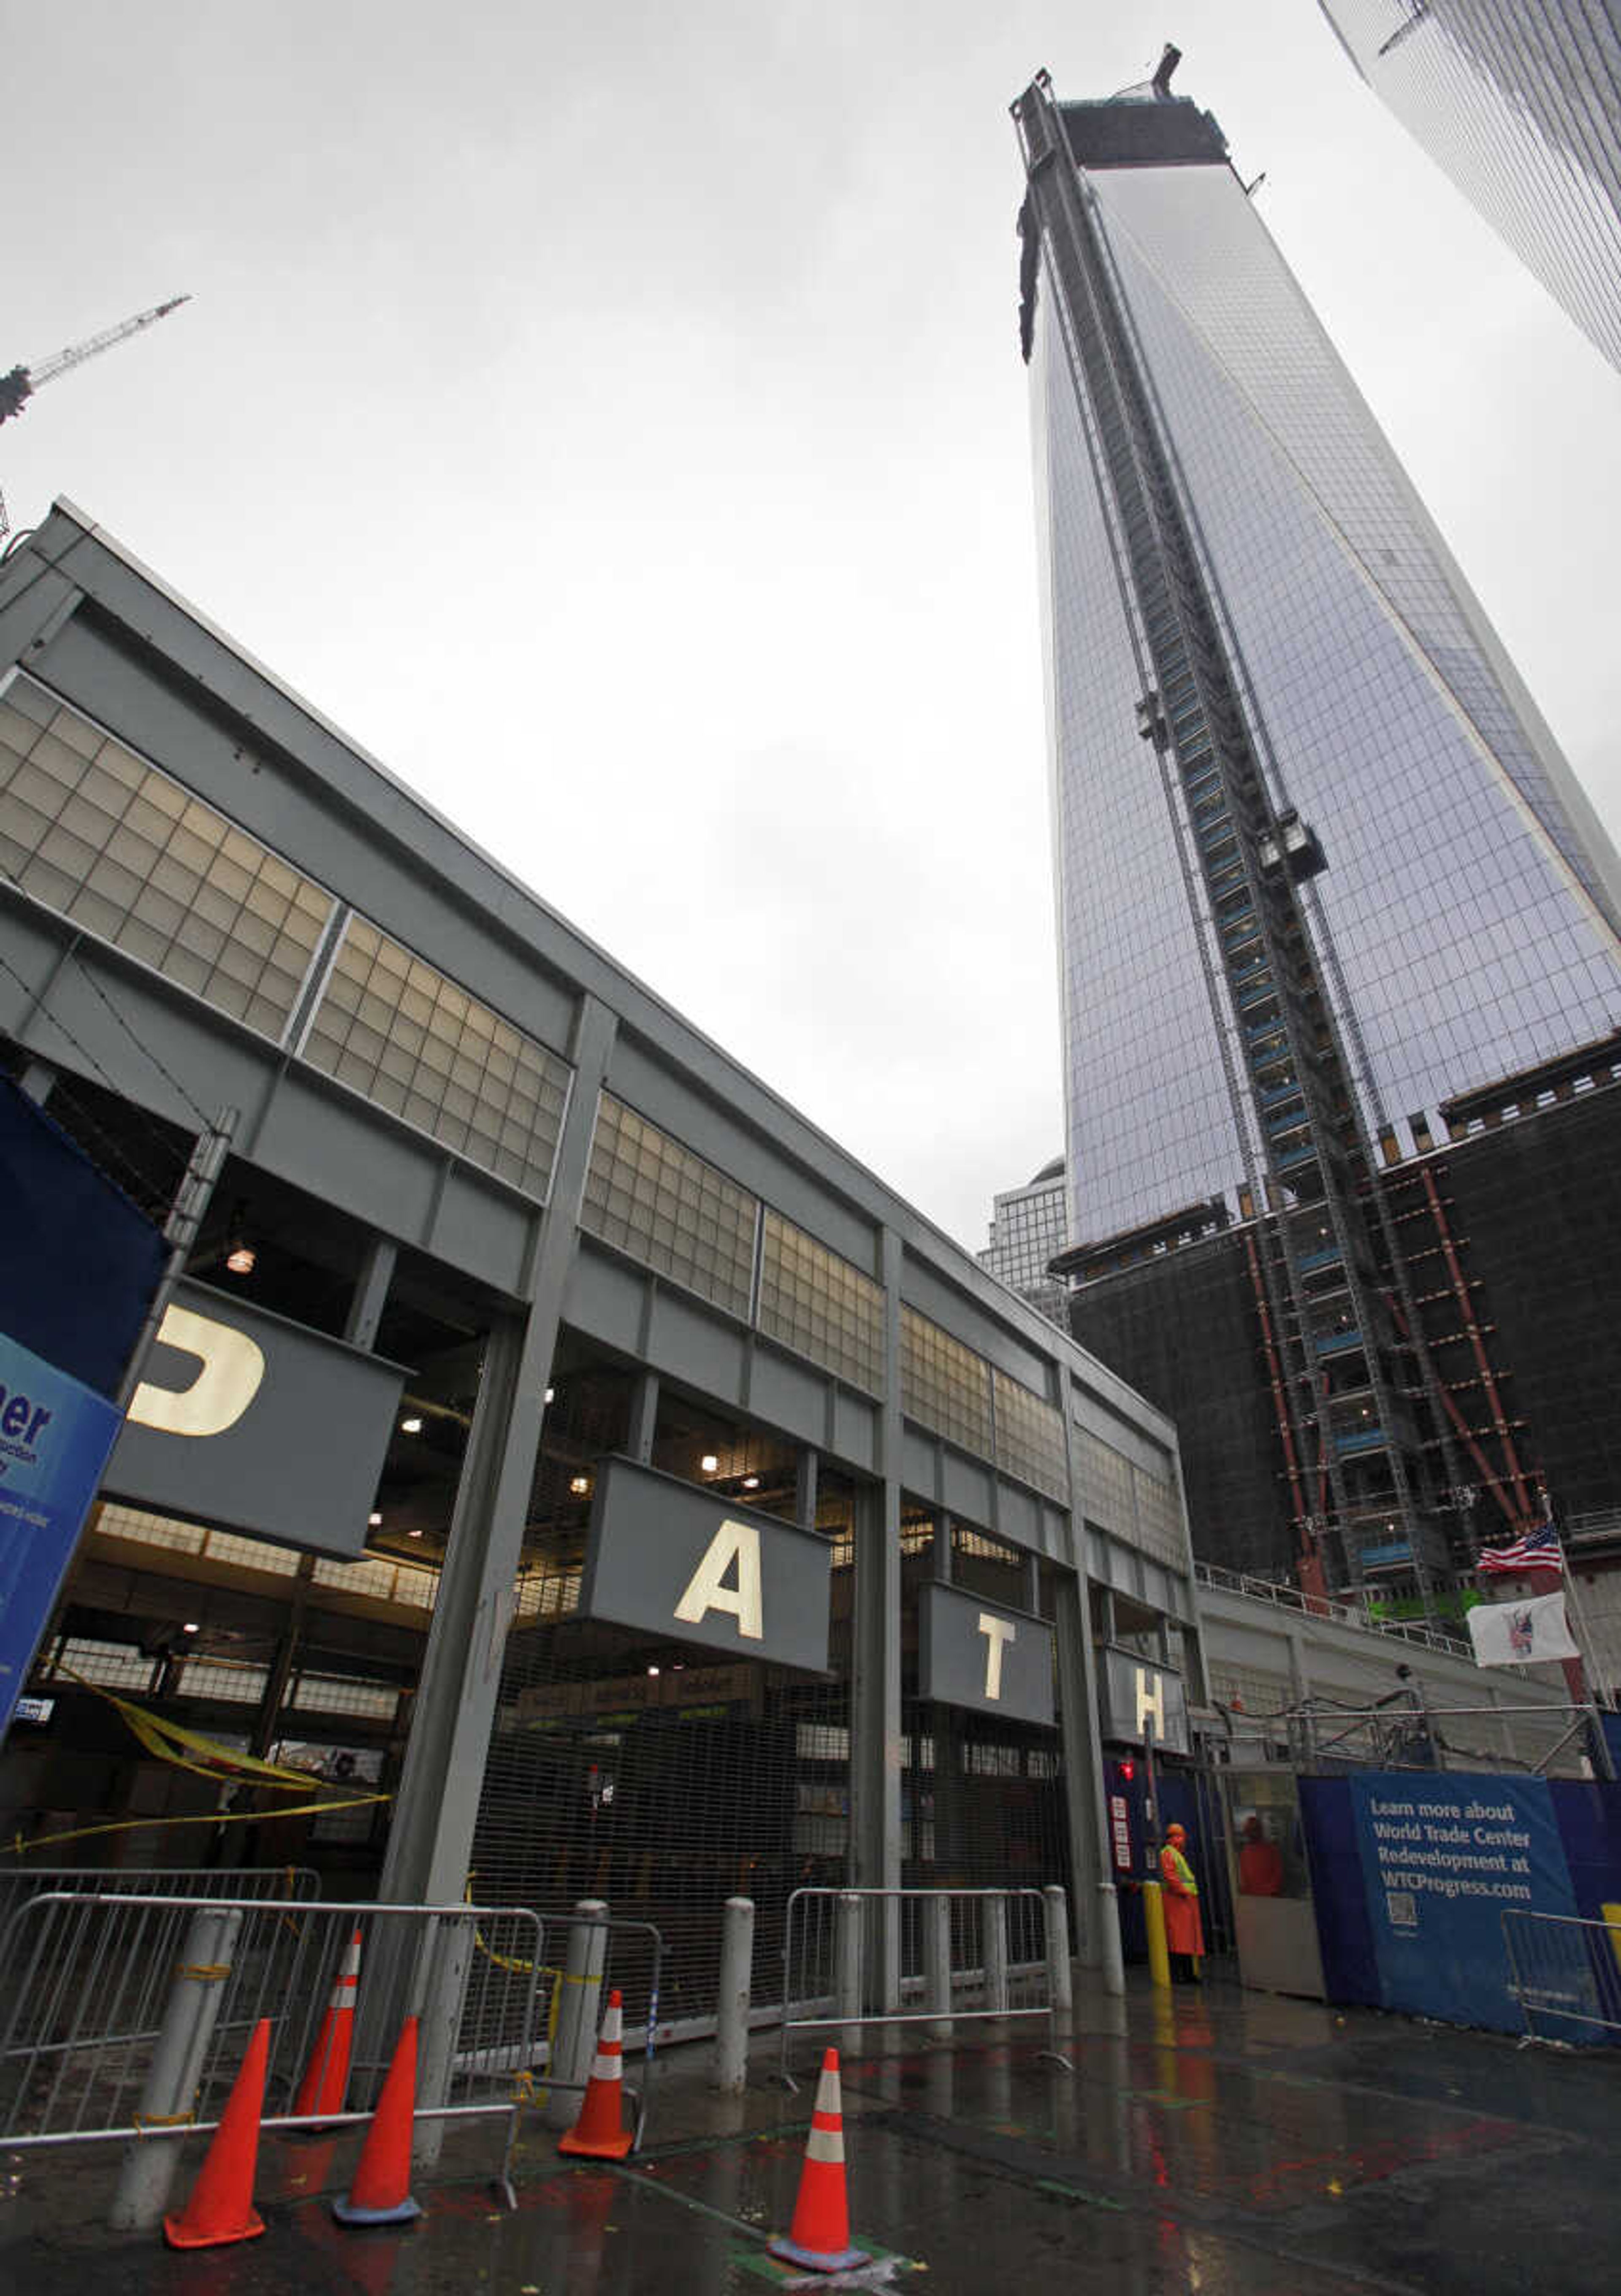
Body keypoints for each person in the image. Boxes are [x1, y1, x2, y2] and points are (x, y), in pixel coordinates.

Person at [1159, 1822, 1204, 1981]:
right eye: (1178, 1837)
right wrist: (1183, 1891)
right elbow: (1171, 1876)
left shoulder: (1174, 1853)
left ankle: (1186, 1974)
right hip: (1177, 1900)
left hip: (1184, 1901)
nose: (1181, 1840)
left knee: (1185, 1941)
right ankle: (1180, 1974)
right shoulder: (1169, 1853)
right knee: (1178, 1941)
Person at [1238, 1812, 1284, 1898]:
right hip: (1251, 1899)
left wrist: (1270, 1891)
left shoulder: (1272, 1850)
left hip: (1270, 1898)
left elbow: (1278, 1873)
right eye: (1250, 1831)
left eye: (1255, 1830)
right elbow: (1243, 1878)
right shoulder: (1244, 1852)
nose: (1253, 1834)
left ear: (1261, 1831)